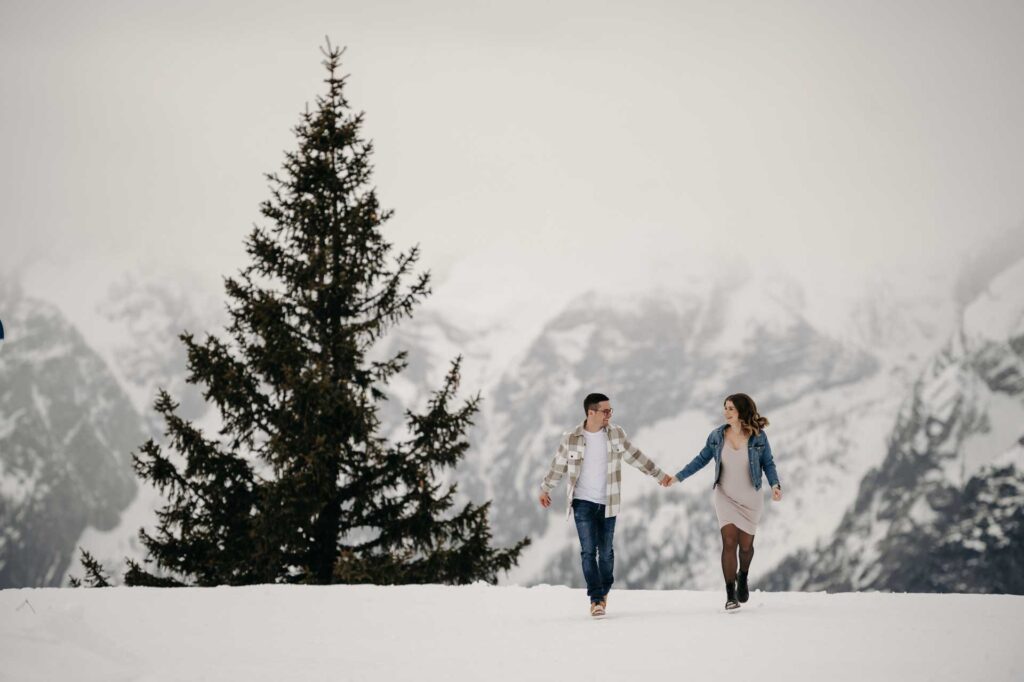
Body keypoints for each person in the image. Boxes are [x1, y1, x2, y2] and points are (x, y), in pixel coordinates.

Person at [539, 392, 673, 618]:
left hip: (608, 502)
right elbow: (558, 466)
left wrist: (659, 475)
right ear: (591, 413)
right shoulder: (571, 438)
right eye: (605, 411)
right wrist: (545, 488)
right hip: (582, 503)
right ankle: (596, 599)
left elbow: (636, 456)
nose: (609, 415)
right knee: (588, 552)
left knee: (607, 553)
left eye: (611, 411)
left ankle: (604, 590)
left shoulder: (616, 435)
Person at [668, 393, 782, 611]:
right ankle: (730, 594)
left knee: (746, 547)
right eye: (725, 408)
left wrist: (775, 485)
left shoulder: (758, 436)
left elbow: (768, 462)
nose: (726, 412)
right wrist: (678, 477)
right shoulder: (717, 436)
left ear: (741, 411)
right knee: (729, 543)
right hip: (725, 496)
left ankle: (743, 575)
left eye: (730, 408)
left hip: (751, 497)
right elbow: (701, 459)